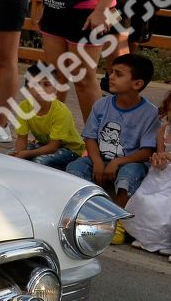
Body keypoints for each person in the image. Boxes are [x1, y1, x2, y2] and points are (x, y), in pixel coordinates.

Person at [66, 53, 160, 211]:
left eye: (119, 74)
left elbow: (146, 151)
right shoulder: (101, 105)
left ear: (137, 84)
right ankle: (83, 211)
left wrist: (117, 162)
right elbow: (90, 138)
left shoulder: (150, 113)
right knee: (75, 167)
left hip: (130, 163)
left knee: (130, 174)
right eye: (111, 72)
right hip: (98, 159)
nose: (111, 77)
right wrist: (97, 162)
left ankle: (118, 218)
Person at [12, 67, 87, 171]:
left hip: (70, 150)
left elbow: (53, 146)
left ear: (55, 88)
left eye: (46, 84)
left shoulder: (61, 111)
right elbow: (21, 138)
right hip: (44, 145)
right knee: (11, 156)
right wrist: (18, 154)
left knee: (38, 162)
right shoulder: (24, 107)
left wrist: (26, 154)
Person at [126, 88, 171, 255]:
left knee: (165, 205)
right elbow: (160, 154)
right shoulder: (163, 131)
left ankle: (165, 242)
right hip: (164, 173)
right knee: (146, 199)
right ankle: (148, 238)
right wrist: (158, 160)